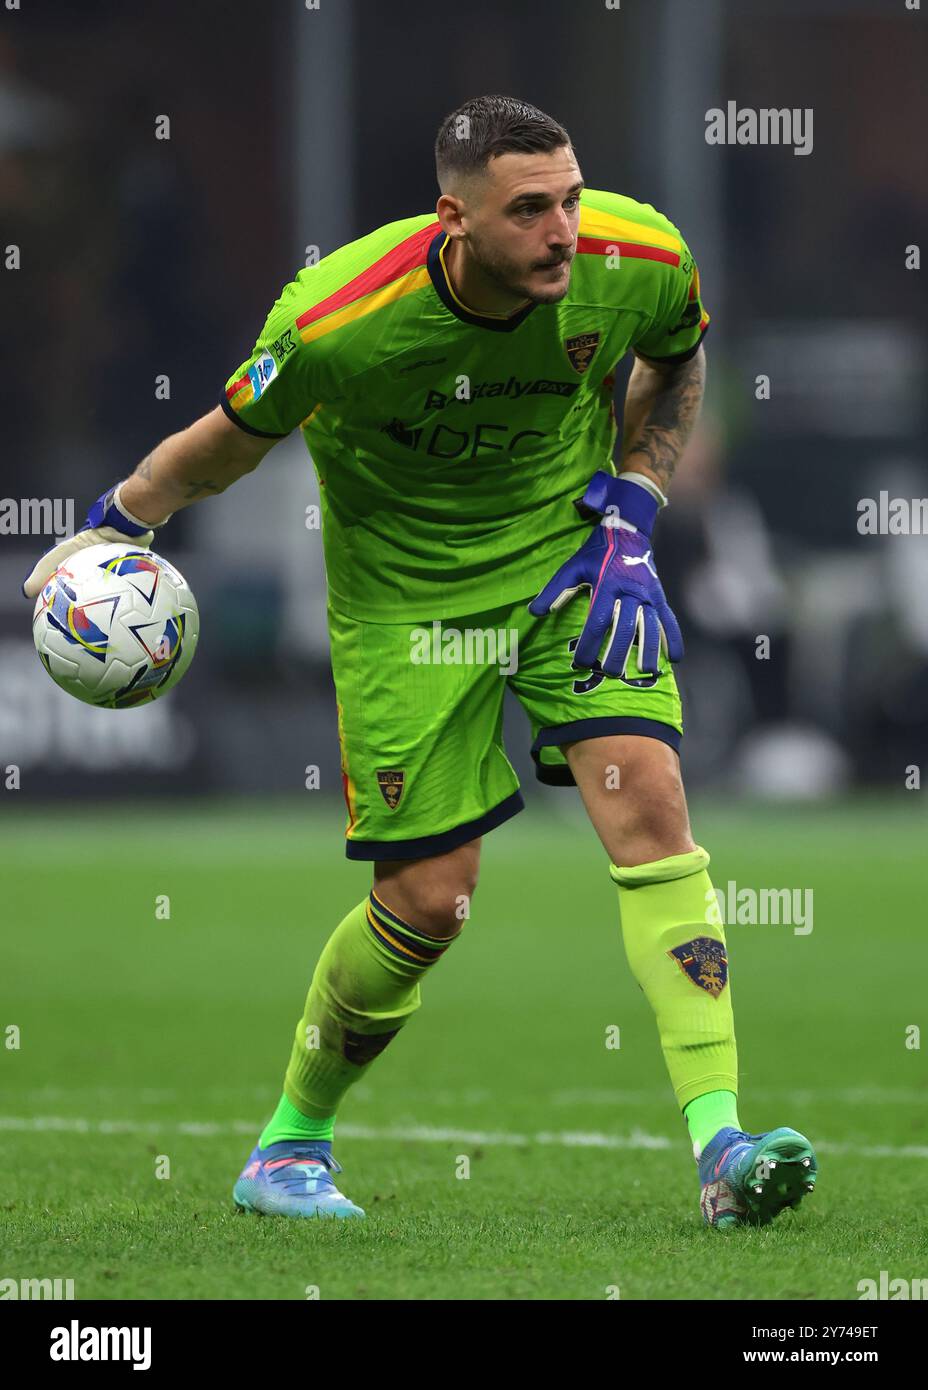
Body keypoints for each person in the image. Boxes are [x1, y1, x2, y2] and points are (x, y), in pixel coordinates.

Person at [23, 95, 817, 1228]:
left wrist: (634, 508)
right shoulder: (339, 318)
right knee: (429, 905)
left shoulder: (635, 255)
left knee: (651, 804)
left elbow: (676, 363)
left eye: (571, 199)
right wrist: (113, 523)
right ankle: (288, 1146)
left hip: (565, 571)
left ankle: (721, 1149)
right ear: (454, 217)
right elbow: (223, 445)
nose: (563, 231)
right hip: (404, 604)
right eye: (530, 210)